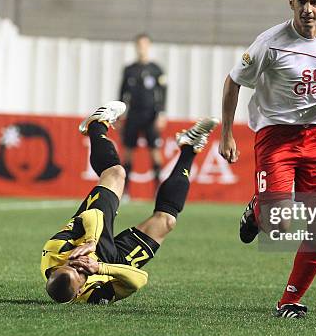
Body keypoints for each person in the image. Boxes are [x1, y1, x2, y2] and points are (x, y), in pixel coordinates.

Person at [219, 0, 316, 318]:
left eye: (314, 2)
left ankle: (290, 300)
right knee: (278, 225)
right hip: (277, 136)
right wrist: (226, 133)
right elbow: (233, 82)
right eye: (302, 2)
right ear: (291, 2)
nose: (308, 9)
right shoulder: (269, 42)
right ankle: (256, 212)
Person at [41, 100, 218, 304]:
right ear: (79, 291)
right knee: (166, 222)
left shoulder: (57, 251)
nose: (79, 264)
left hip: (91, 237)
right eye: (80, 272)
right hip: (111, 262)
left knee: (116, 173)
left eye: (72, 265)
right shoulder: (93, 295)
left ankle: (96, 125)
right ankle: (189, 146)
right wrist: (100, 268)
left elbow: (93, 215)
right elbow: (139, 280)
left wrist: (90, 241)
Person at [119, 34, 167, 197]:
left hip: (150, 116)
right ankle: (124, 191)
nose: (142, 48)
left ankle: (158, 190)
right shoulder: (129, 70)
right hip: (133, 115)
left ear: (149, 46)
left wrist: (161, 114)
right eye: (139, 45)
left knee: (155, 151)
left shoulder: (156, 69)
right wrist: (119, 114)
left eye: (145, 45)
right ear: (136, 47)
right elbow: (122, 93)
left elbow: (163, 93)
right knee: (127, 152)